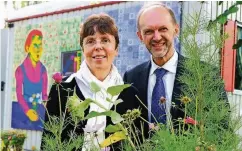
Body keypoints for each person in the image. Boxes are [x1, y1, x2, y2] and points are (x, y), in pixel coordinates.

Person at [123, 3, 228, 134]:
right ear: (140, 36)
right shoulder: (131, 78)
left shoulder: (205, 74)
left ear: (176, 30)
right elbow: (127, 129)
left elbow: (222, 129)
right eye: (149, 31)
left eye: (163, 29)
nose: (156, 37)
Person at [41, 13, 140, 151]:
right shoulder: (62, 90)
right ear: (82, 49)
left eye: (105, 40)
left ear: (116, 49)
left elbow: (138, 145)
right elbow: (48, 144)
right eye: (90, 41)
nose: (98, 46)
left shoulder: (130, 94)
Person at [12, 29, 48, 130]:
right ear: (28, 48)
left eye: (40, 45)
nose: (38, 49)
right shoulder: (20, 70)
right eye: (35, 45)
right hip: (24, 111)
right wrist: (27, 111)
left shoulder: (43, 70)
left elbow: (44, 96)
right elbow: (19, 95)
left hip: (39, 112)